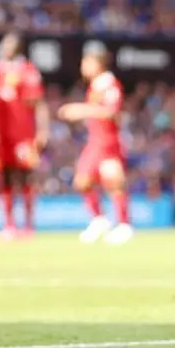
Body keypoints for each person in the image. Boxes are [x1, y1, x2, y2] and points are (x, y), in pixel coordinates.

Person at [59, 48, 133, 245]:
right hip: (95, 140)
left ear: (97, 63)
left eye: (86, 63)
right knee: (82, 180)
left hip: (108, 140)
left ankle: (125, 225)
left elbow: (112, 111)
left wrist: (81, 110)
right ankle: (99, 219)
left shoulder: (109, 84)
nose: (83, 67)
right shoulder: (96, 85)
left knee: (113, 180)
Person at [0, 33, 49, 237]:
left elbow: (39, 102)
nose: (6, 48)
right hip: (1, 136)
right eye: (4, 44)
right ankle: (8, 225)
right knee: (5, 177)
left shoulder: (28, 71)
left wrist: (43, 130)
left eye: (10, 44)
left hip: (23, 134)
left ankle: (28, 225)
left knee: (25, 178)